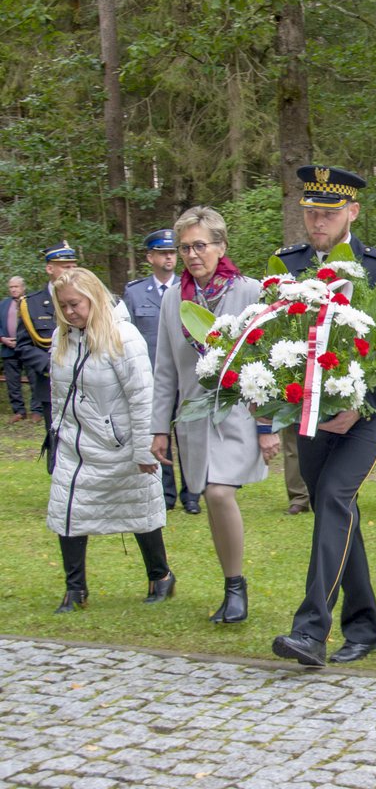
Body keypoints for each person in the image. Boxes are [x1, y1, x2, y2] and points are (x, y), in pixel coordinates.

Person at [270, 166, 376, 666]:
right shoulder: (288, 267)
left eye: (328, 213)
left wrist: (360, 405)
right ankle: (365, 626)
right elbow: (272, 339)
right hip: (309, 411)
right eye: (310, 212)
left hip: (368, 411)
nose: (317, 223)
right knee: (334, 509)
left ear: (352, 212)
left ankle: (311, 629)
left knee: (336, 496)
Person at [152, 206, 276, 625]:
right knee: (209, 496)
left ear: (221, 246)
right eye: (184, 247)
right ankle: (231, 584)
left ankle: (236, 590)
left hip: (241, 412)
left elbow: (273, 363)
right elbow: (165, 368)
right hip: (194, 418)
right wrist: (158, 429)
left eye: (199, 245)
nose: (191, 254)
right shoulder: (174, 299)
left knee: (220, 493)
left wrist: (267, 425)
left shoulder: (251, 291)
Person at [44, 267, 172, 614]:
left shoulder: (123, 337)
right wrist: (56, 431)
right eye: (63, 306)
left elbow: (142, 395)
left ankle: (160, 576)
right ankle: (75, 589)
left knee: (139, 509)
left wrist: (144, 448)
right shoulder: (62, 338)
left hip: (120, 443)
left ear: (94, 298)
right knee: (66, 510)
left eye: (75, 304)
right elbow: (58, 390)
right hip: (76, 443)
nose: (70, 312)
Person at [124, 229, 201, 515]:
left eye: (172, 252)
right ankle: (165, 494)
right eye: (163, 253)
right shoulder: (134, 292)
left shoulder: (190, 288)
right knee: (159, 437)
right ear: (150, 257)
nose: (169, 257)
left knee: (189, 437)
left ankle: (192, 494)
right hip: (151, 378)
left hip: (186, 376)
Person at [18, 242, 79, 431]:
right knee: (55, 443)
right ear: (49, 268)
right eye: (65, 267)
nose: (71, 271)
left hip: (87, 384)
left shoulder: (87, 298)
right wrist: (50, 365)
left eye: (73, 266)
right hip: (51, 386)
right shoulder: (32, 304)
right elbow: (24, 346)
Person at [0, 276, 37, 422]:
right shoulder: (3, 304)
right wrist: (2, 338)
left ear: (23, 288)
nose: (14, 289)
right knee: (12, 382)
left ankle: (37, 411)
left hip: (29, 347)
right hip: (9, 348)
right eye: (11, 287)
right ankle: (19, 411)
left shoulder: (31, 303)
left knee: (35, 379)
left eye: (16, 286)